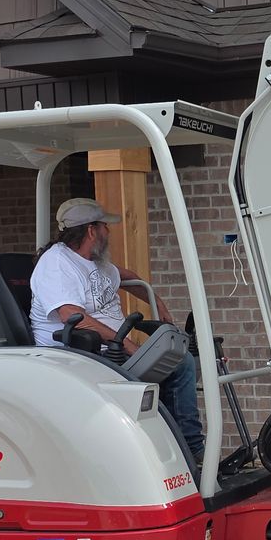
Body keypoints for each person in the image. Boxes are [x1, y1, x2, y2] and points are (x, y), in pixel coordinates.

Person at [29, 196, 204, 463]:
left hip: (111, 349)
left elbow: (129, 277)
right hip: (80, 356)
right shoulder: (56, 265)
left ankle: (178, 449)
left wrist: (159, 304)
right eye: (104, 226)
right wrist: (129, 346)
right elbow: (73, 317)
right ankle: (191, 452)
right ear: (91, 230)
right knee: (180, 365)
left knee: (182, 357)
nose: (108, 232)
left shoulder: (94, 262)